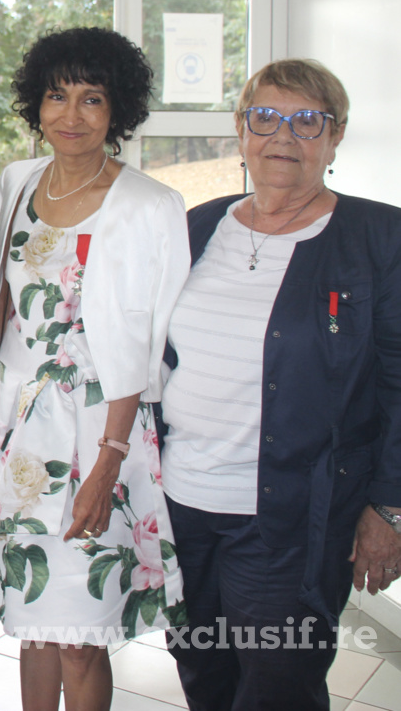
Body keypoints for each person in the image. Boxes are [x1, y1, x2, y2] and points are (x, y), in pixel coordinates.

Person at [0, 27, 190, 711]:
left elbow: (149, 341)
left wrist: (109, 461)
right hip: (13, 425)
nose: (70, 116)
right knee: (32, 620)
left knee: (80, 631)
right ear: (36, 103)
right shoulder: (19, 181)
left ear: (119, 111)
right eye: (57, 96)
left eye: (92, 99)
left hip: (94, 430)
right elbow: (0, 309)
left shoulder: (149, 205)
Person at [159, 58, 401, 710]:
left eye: (306, 121)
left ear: (336, 136)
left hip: (293, 516)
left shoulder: (378, 238)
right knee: (202, 671)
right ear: (241, 131)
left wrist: (390, 505)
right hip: (183, 504)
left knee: (277, 685)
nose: (283, 137)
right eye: (264, 118)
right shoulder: (197, 228)